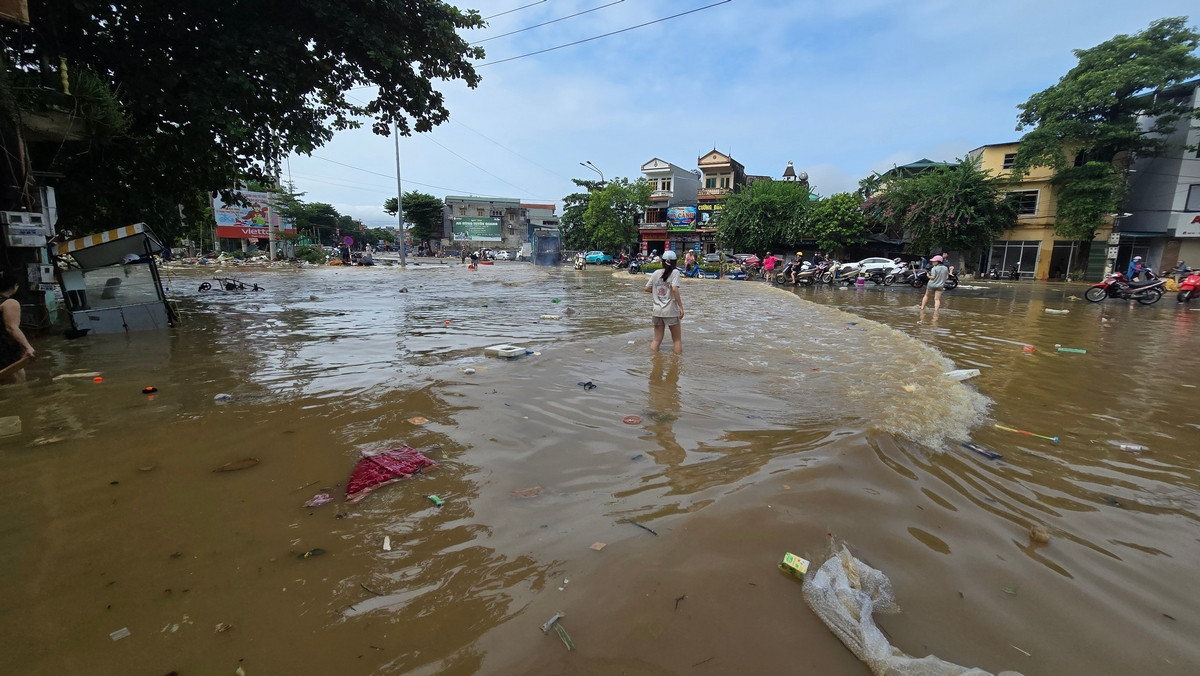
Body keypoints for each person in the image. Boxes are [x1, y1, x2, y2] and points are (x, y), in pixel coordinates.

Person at [644, 250, 684, 354]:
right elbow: (674, 289)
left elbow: (646, 288)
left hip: (657, 311)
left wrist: (657, 293)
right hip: (670, 310)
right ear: (674, 262)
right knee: (677, 340)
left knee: (657, 340)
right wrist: (681, 307)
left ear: (663, 261)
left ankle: (654, 360)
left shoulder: (656, 273)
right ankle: (676, 362)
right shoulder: (675, 272)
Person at [0, 268, 35, 381]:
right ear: (14, 286)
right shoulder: (9, 303)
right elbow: (11, 327)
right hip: (5, 350)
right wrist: (27, 347)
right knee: (18, 383)